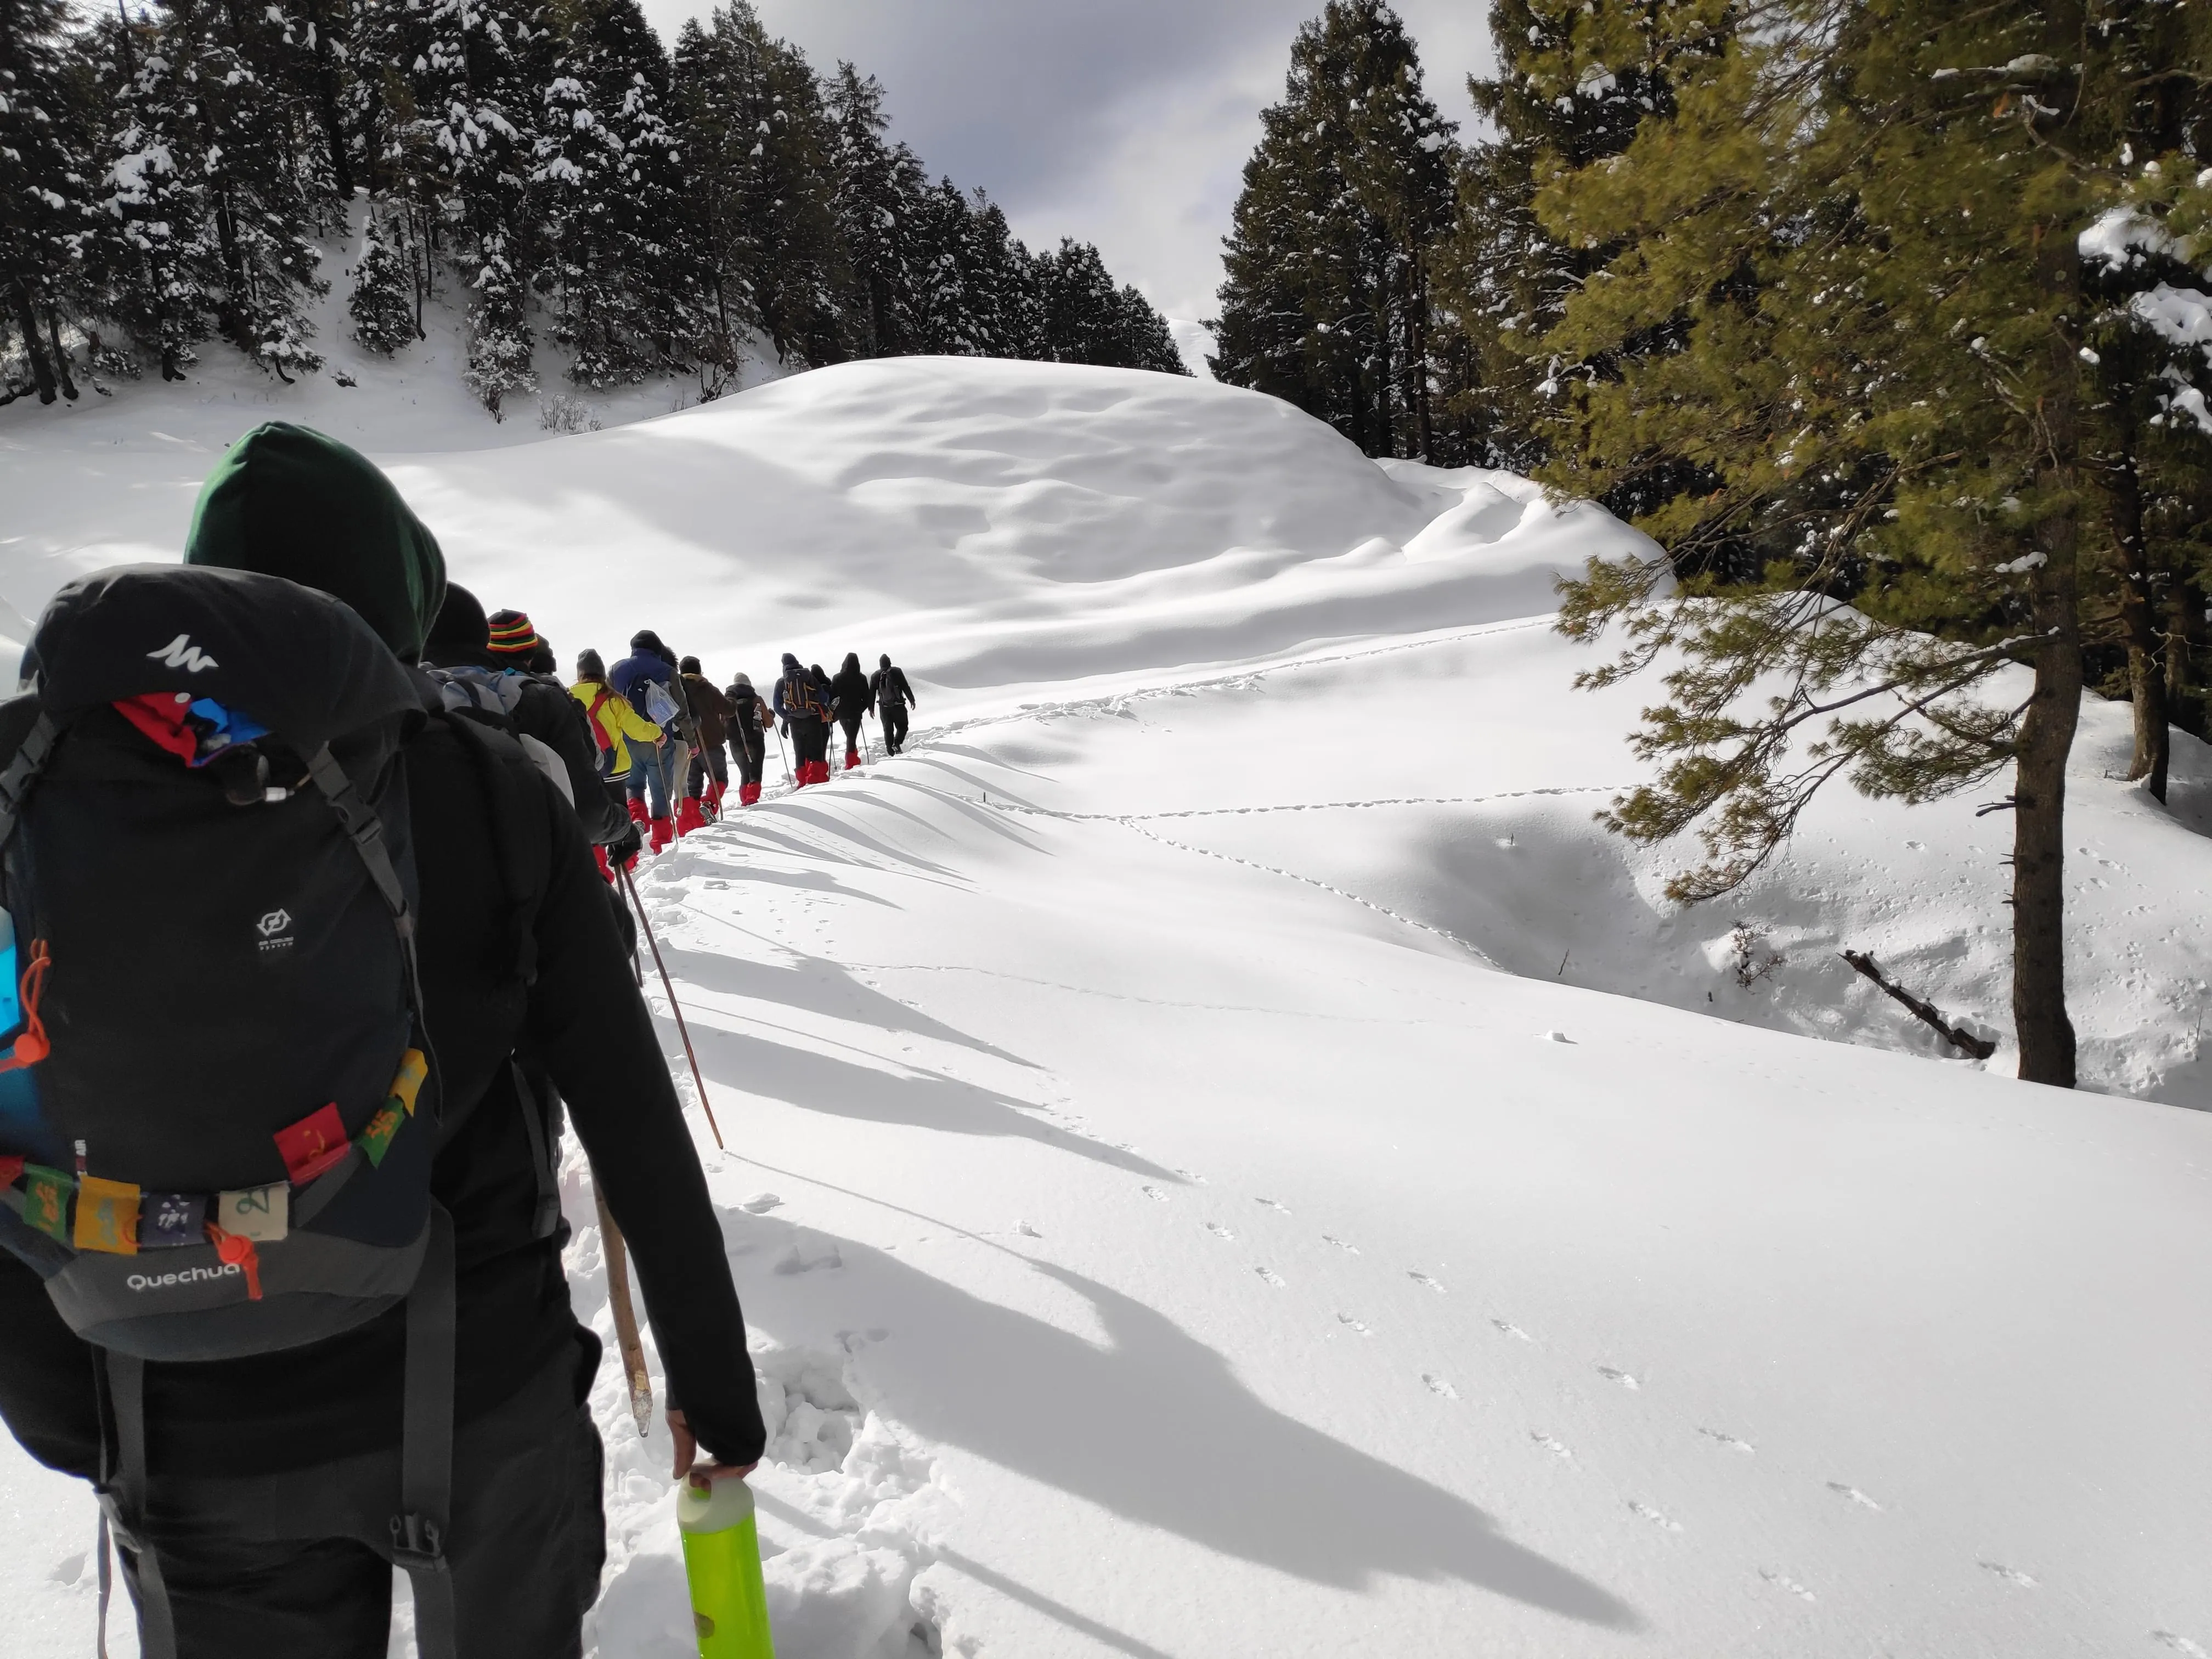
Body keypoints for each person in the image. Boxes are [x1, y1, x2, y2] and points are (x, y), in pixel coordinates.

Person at [0, 421, 764, 1659]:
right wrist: (714, 1389)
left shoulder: (42, 803)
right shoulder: (489, 788)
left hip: (176, 1422)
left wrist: (59, 1399)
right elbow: (628, 1114)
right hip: (481, 1406)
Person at [422, 588, 635, 861]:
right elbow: (587, 812)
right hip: (523, 863)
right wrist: (622, 828)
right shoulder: (545, 698)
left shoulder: (392, 691)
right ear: (531, 654)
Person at [572, 648, 666, 866]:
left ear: (580, 673)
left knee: (589, 819)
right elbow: (636, 729)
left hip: (583, 770)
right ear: (602, 672)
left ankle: (597, 866)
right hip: (614, 769)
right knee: (619, 816)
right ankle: (626, 861)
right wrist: (658, 733)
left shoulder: (568, 696)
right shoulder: (612, 698)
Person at [608, 631, 690, 853]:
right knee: (661, 789)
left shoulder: (617, 669)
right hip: (660, 740)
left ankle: (637, 820)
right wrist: (691, 741)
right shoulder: (668, 671)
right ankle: (661, 842)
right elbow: (682, 711)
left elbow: (610, 705)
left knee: (633, 785)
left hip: (628, 739)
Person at [676, 656, 734, 831]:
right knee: (719, 778)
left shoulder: (677, 689)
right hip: (711, 743)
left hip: (687, 745)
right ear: (700, 671)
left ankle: (694, 823)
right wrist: (731, 697)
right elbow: (729, 710)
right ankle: (709, 806)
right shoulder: (706, 687)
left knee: (692, 786)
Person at [772, 653, 832, 786]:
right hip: (812, 718)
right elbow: (823, 697)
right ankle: (816, 777)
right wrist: (817, 707)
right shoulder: (808, 676)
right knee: (816, 749)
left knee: (800, 751)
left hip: (795, 721)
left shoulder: (782, 681)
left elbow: (777, 705)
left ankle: (802, 780)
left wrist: (787, 717)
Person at [724, 673, 770, 804]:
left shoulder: (728, 700)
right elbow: (769, 723)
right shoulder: (756, 699)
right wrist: (769, 715)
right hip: (755, 739)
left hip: (735, 741)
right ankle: (752, 798)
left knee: (744, 772)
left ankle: (745, 799)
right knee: (755, 771)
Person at [829, 652, 872, 772]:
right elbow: (867, 697)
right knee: (852, 737)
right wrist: (861, 709)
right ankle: (851, 762)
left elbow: (833, 697)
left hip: (842, 713)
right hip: (855, 713)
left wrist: (834, 712)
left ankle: (853, 757)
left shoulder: (837, 677)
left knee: (849, 736)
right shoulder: (861, 677)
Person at [871, 653, 916, 757]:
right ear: (890, 662)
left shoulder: (875, 676)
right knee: (903, 726)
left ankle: (891, 752)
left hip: (884, 707)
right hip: (899, 705)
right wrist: (912, 700)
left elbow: (872, 693)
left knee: (888, 729)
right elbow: (905, 686)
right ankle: (897, 743)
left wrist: (871, 708)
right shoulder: (897, 671)